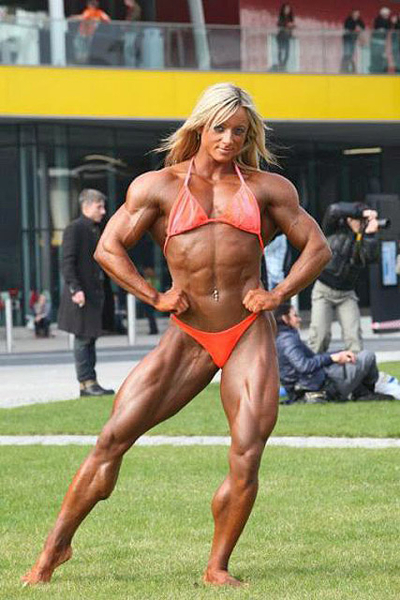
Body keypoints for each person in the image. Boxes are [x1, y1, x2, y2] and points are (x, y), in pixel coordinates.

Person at [22, 82, 331, 588]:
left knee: (247, 450)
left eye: (239, 131)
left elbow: (317, 248)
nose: (229, 139)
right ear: (200, 126)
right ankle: (55, 548)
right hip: (188, 333)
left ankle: (217, 566)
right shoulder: (158, 187)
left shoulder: (268, 189)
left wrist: (277, 294)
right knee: (112, 438)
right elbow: (108, 248)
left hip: (247, 331)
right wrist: (154, 296)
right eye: (220, 128)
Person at [276, 303, 400, 402]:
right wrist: (332, 358)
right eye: (295, 315)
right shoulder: (288, 340)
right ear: (285, 319)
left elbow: (310, 361)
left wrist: (338, 354)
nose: (299, 319)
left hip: (317, 383)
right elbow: (304, 366)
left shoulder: (284, 338)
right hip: (321, 387)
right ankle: (366, 393)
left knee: (353, 359)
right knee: (367, 357)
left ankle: (362, 392)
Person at [57, 189, 115, 398]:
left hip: (93, 294)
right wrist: (76, 289)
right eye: (99, 206)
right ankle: (86, 383)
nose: (103, 211)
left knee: (90, 338)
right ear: (87, 206)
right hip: (81, 295)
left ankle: (90, 383)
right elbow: (67, 263)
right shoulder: (74, 229)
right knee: (83, 339)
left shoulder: (95, 229)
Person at [308, 202, 380, 354]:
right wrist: (362, 212)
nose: (360, 223)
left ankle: (356, 368)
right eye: (357, 220)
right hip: (323, 290)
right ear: (349, 219)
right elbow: (333, 209)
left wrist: (370, 235)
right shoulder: (334, 228)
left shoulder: (364, 238)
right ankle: (313, 368)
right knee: (319, 337)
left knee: (354, 339)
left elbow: (370, 258)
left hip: (347, 293)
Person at [341, 9, 365, 73]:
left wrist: (359, 28)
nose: (357, 15)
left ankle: (349, 68)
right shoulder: (349, 20)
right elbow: (348, 28)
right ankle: (344, 69)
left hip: (353, 40)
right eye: (355, 13)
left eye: (358, 14)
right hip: (347, 39)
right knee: (347, 54)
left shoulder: (359, 20)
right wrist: (355, 28)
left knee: (351, 54)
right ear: (352, 14)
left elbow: (363, 27)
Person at [370, 7, 391, 74]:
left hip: (382, 42)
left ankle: (381, 70)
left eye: (388, 14)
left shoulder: (388, 21)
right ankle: (376, 70)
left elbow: (388, 28)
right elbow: (376, 27)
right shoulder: (378, 20)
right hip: (376, 41)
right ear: (382, 14)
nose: (387, 16)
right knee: (376, 56)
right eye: (386, 14)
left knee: (382, 56)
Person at [276, 4, 295, 71]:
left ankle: (284, 65)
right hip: (281, 36)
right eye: (286, 9)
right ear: (283, 9)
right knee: (280, 51)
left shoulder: (290, 17)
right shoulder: (281, 16)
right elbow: (279, 24)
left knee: (287, 52)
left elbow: (292, 27)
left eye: (288, 9)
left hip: (287, 37)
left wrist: (293, 26)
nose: (287, 10)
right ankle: (280, 64)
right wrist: (287, 24)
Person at [142, 266, 159, 334]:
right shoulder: (148, 279)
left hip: (151, 300)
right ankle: (153, 329)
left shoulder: (152, 280)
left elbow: (156, 288)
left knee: (150, 315)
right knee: (150, 316)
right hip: (149, 300)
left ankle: (153, 329)